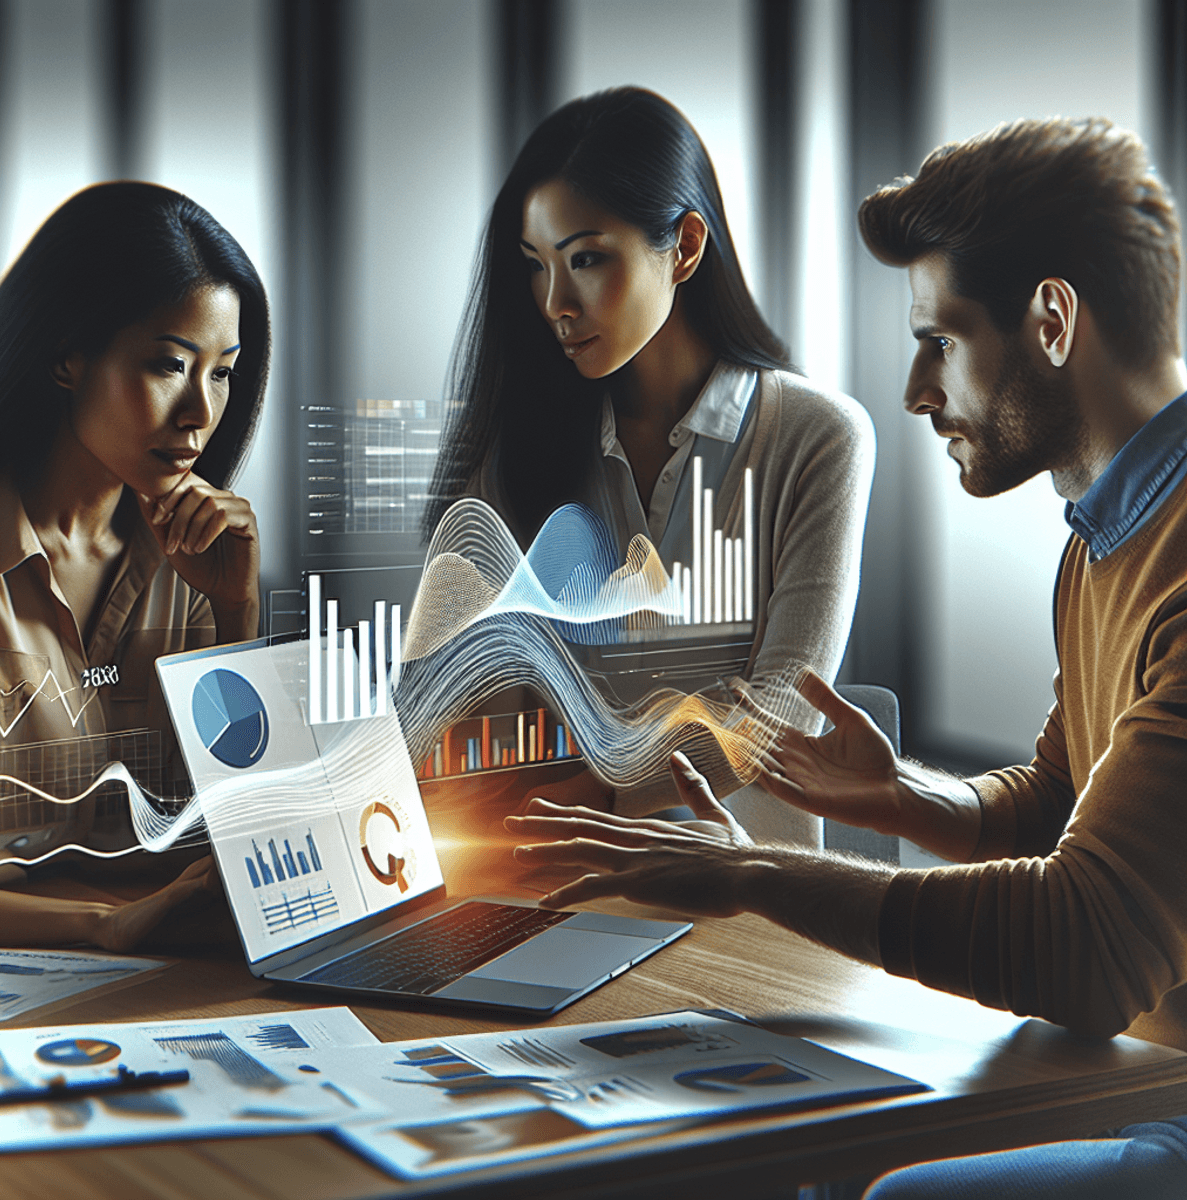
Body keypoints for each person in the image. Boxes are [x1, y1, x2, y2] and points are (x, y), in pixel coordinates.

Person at [509, 114, 1187, 1062]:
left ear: (1052, 323)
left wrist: (754, 873)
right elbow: (1053, 805)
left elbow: (1092, 948)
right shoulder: (1104, 539)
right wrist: (901, 797)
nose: (916, 390)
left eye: (940, 341)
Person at [425, 87, 874, 828]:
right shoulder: (521, 446)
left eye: (588, 259)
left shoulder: (819, 438)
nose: (554, 303)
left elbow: (775, 716)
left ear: (686, 247)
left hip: (748, 898)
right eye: (536, 265)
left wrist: (595, 796)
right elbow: (483, 705)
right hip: (552, 881)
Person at [0, 181, 271, 950]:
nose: (200, 414)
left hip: (172, 963)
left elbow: (241, 834)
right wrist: (108, 926)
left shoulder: (191, 561)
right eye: (168, 364)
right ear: (66, 359)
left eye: (221, 371)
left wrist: (237, 615)